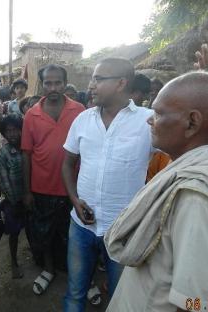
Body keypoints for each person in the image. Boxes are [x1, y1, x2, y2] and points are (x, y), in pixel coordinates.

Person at [104, 71, 208, 311]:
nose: (149, 120)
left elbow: (196, 304)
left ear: (192, 122)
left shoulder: (196, 198)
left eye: (159, 113)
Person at [61, 58, 154, 311]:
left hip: (125, 229)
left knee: (121, 297)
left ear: (121, 83)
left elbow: (183, 148)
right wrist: (74, 200)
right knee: (74, 293)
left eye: (98, 79)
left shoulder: (149, 121)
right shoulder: (82, 120)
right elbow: (67, 164)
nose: (91, 85)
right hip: (81, 226)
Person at [21, 64, 85, 295]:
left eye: (58, 82)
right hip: (41, 188)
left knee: (74, 236)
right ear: (42, 84)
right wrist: (27, 191)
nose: (53, 87)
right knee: (44, 233)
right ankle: (48, 270)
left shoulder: (79, 110)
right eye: (48, 83)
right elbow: (26, 155)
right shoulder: (31, 115)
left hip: (73, 188)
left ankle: (80, 277)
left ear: (65, 83)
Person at [0, 114, 26, 279]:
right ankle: (14, 262)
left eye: (15, 130)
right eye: (8, 131)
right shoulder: (3, 154)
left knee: (32, 230)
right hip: (13, 201)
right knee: (14, 233)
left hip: (30, 198)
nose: (12, 134)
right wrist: (15, 202)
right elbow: (4, 182)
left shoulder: (28, 149)